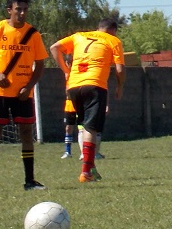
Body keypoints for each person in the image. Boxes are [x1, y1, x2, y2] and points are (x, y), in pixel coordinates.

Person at [0, 0, 48, 192]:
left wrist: (29, 87)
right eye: (19, 9)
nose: (22, 13)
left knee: (26, 133)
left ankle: (30, 181)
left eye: (25, 9)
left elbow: (41, 64)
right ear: (10, 10)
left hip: (23, 94)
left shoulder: (33, 34)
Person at [50, 19, 125, 183]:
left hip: (74, 86)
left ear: (98, 28)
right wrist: (120, 87)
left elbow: (54, 48)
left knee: (84, 125)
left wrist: (66, 71)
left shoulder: (79, 36)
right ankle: (86, 172)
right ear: (112, 31)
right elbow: (119, 69)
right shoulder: (113, 40)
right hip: (95, 85)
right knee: (91, 128)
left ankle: (91, 168)